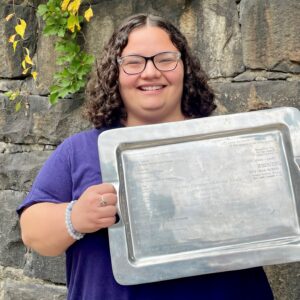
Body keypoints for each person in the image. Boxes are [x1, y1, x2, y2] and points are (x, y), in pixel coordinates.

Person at [18, 13, 274, 300]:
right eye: (134, 62)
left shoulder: (230, 143)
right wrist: (76, 216)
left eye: (165, 59)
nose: (150, 72)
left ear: (184, 67)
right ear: (113, 73)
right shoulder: (80, 151)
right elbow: (32, 234)